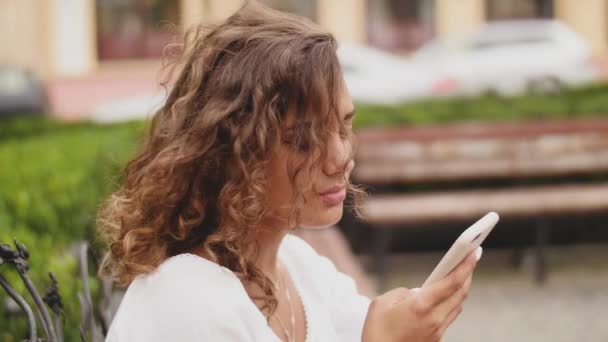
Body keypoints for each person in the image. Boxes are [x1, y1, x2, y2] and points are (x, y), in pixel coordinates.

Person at [98, 2, 480, 341]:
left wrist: (407, 320)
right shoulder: (185, 300)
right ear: (234, 150)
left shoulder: (300, 266)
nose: (340, 157)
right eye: (302, 138)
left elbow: (368, 322)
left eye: (344, 126)